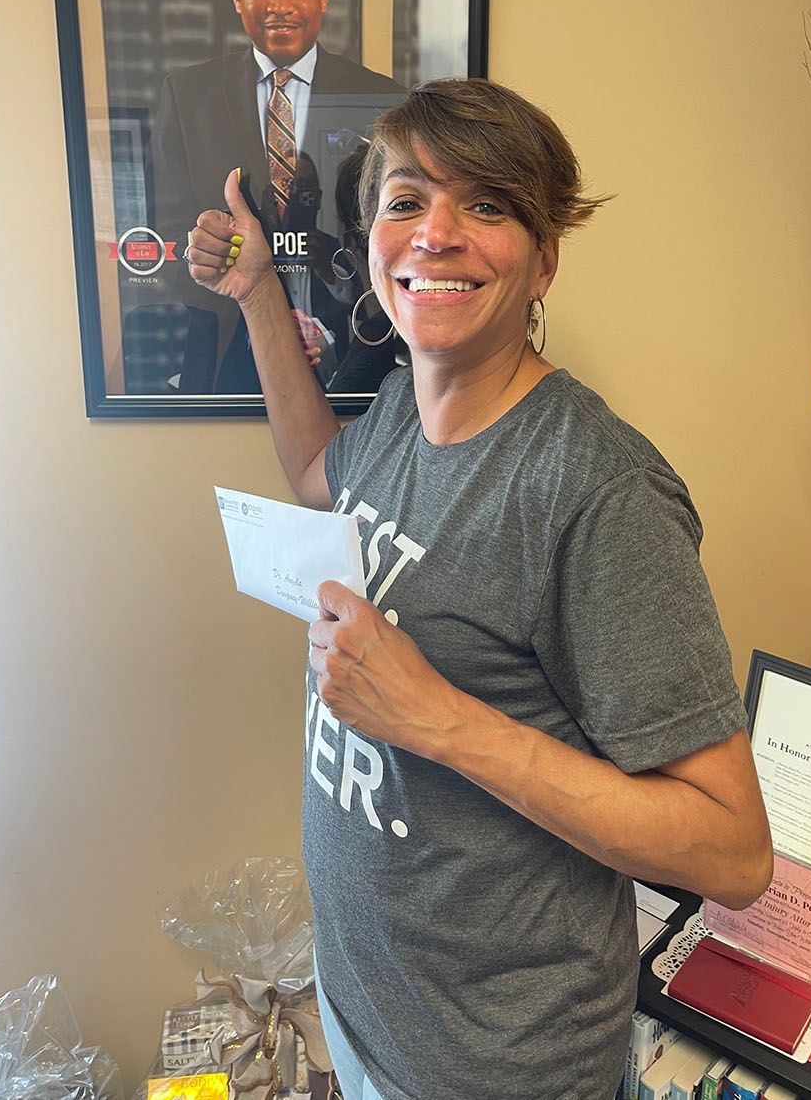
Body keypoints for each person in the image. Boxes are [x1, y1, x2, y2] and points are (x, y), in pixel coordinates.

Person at [185, 79, 774, 1099]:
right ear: (372, 236)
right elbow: (318, 472)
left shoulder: (594, 490)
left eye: (488, 204)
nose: (437, 232)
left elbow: (731, 853)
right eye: (406, 200)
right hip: (368, 1017)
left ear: (545, 256)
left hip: (499, 1069)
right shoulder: (400, 420)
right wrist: (256, 297)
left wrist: (438, 718)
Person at [151, 0, 405, 391]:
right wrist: (261, 315)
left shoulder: (384, 101)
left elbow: (392, 241)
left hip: (351, 365)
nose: (280, 4)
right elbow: (168, 235)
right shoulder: (187, 95)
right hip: (226, 359)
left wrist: (329, 328)